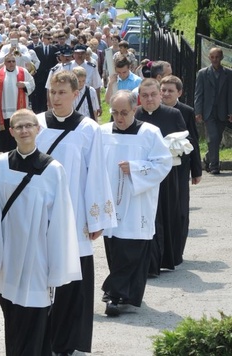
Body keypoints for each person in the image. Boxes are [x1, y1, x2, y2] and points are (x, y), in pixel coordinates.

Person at [0, 109, 82, 356]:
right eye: (19, 126)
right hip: (7, 255)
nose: (24, 130)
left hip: (38, 255)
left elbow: (60, 220)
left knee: (35, 316)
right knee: (12, 317)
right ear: (11, 131)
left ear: (38, 130)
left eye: (29, 125)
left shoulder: (52, 170)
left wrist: (56, 266)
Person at [36, 71, 116, 356]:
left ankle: (71, 342)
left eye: (61, 93)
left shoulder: (88, 129)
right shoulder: (35, 124)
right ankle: (41, 339)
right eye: (52, 92)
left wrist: (96, 219)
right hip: (39, 212)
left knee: (73, 280)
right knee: (39, 278)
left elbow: (96, 174)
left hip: (74, 213)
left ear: (75, 93)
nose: (55, 98)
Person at [100, 90, 172, 316]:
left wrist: (136, 168)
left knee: (133, 250)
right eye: (115, 113)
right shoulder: (102, 133)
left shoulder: (150, 133)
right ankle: (122, 293)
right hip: (111, 201)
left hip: (137, 201)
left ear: (134, 109)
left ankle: (112, 292)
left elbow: (163, 164)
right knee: (115, 249)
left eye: (124, 113)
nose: (119, 118)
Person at [134, 78, 187, 274]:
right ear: (139, 97)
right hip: (140, 176)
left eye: (153, 95)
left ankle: (163, 258)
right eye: (145, 96)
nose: (149, 99)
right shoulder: (135, 114)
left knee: (164, 216)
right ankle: (147, 263)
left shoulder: (173, 114)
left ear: (160, 95)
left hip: (166, 176)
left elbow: (186, 142)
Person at [160, 75, 203, 264]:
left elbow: (193, 140)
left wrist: (197, 170)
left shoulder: (186, 111)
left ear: (179, 92)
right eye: (164, 90)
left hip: (180, 168)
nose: (166, 94)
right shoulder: (153, 110)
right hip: (159, 168)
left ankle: (177, 251)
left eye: (170, 90)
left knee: (180, 210)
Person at [194, 47, 232, 174]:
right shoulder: (203, 73)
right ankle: (214, 166)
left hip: (222, 111)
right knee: (213, 137)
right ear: (209, 58)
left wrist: (231, 112)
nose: (215, 59)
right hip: (208, 111)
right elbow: (198, 94)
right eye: (212, 57)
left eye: (217, 57)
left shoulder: (228, 73)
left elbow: (230, 94)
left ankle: (207, 158)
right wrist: (198, 111)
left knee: (217, 138)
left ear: (221, 58)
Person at [0, 52, 35, 152]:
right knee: (6, 140)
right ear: (5, 63)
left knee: (19, 136)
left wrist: (24, 85)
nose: (11, 63)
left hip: (19, 111)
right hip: (4, 112)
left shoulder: (23, 71)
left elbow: (32, 84)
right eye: (9, 61)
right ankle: (6, 155)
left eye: (13, 61)